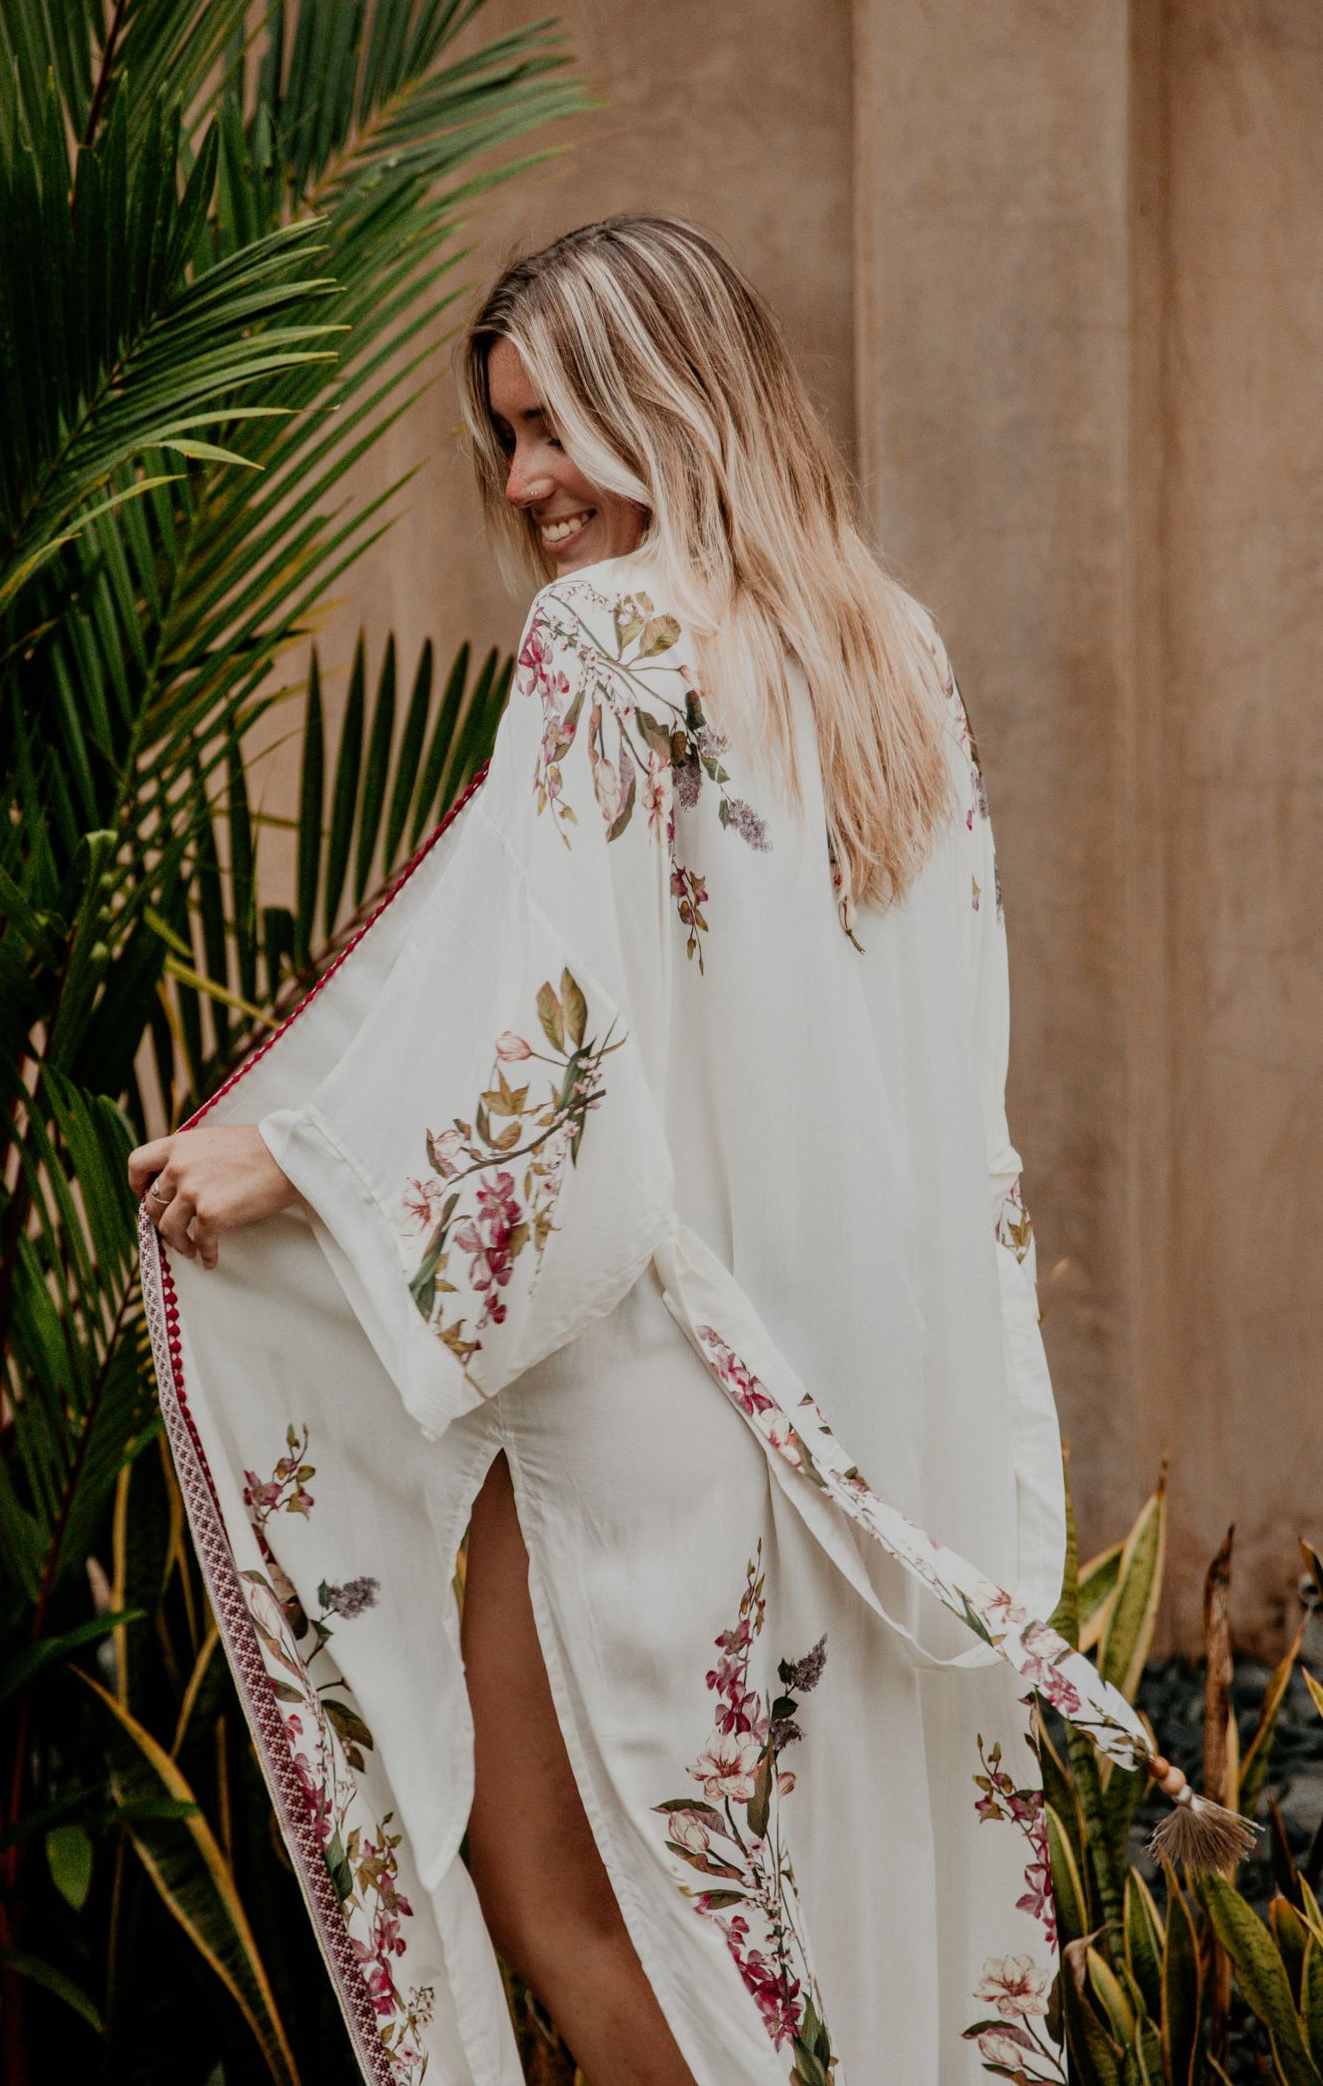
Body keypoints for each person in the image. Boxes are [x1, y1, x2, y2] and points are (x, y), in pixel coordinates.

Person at [127, 216, 1171, 2086]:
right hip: (836, 1384)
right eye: (506, 435)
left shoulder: (601, 638)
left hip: (647, 1368)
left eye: (554, 426)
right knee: (755, 1903)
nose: (521, 480)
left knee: (573, 1897)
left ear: (667, 403)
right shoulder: (885, 649)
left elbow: (549, 1015)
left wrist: (289, 1158)